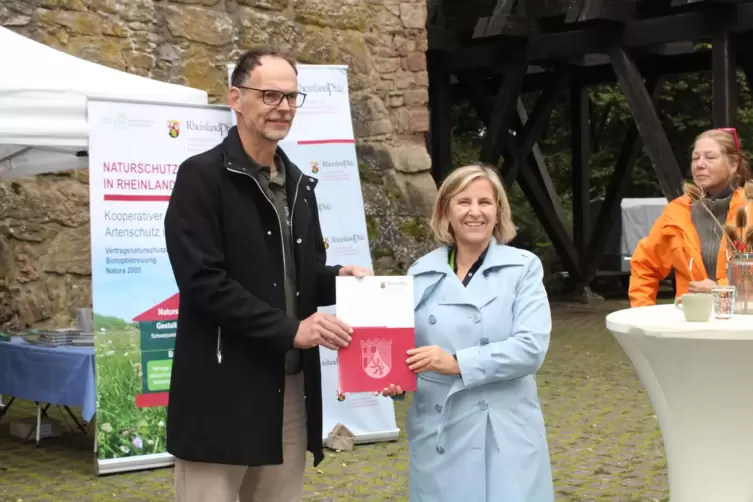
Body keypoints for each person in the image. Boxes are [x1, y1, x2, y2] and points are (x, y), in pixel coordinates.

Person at [163, 46, 372, 502]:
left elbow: (298, 274)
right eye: (270, 95)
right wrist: (291, 329)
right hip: (222, 389)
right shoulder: (200, 178)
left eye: (292, 97)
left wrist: (338, 277)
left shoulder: (298, 184)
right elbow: (202, 283)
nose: (283, 108)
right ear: (236, 98)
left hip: (288, 387)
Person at [381, 164, 554, 502]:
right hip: (439, 429)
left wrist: (457, 363)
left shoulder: (523, 268)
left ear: (498, 211)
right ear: (445, 210)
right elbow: (404, 351)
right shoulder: (420, 273)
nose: (475, 212)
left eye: (485, 202)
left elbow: (530, 348)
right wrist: (394, 381)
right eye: (463, 202)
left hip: (502, 433)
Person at [629, 128, 751, 307]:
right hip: (690, 323)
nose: (700, 164)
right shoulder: (676, 212)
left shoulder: (750, 209)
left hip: (743, 326)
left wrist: (721, 289)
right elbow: (645, 265)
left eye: (710, 157)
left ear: (733, 165)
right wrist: (642, 313)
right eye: (695, 158)